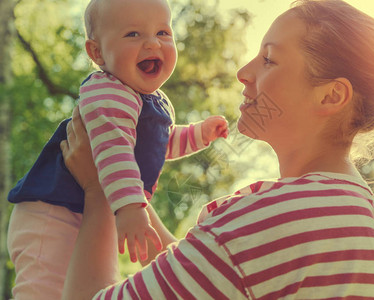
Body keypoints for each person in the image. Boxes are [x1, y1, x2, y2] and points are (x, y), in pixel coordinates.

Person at [61, 0, 374, 299]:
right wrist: (135, 198)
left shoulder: (265, 222)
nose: (243, 72)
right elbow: (213, 270)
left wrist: (99, 194)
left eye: (269, 59)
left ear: (332, 95)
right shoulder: (348, 209)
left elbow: (226, 253)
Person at [6, 0, 228, 298]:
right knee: (45, 287)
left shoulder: (153, 100)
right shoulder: (109, 91)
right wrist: (130, 208)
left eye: (163, 32)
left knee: (78, 281)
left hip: (80, 207)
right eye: (133, 34)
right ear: (97, 52)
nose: (152, 43)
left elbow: (159, 144)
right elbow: (115, 151)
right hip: (52, 210)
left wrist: (200, 134)